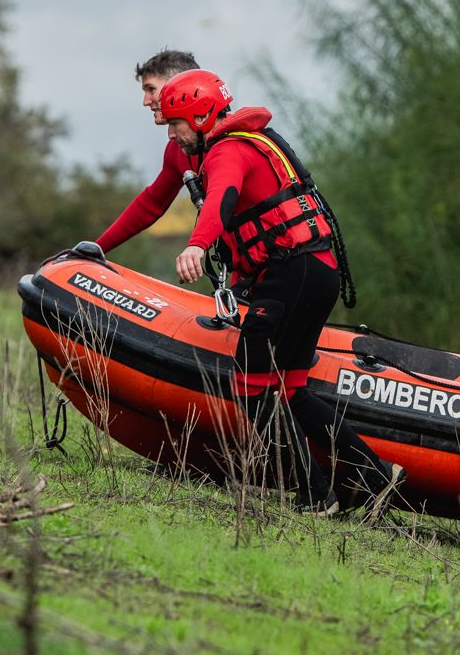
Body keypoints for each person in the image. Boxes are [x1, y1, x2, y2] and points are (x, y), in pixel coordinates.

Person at [159, 68, 403, 515]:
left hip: (292, 276)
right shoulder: (253, 142)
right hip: (317, 272)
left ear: (199, 117)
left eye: (175, 125)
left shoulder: (226, 152)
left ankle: (315, 494)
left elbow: (221, 202)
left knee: (251, 385)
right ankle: (374, 475)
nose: (171, 135)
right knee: (291, 389)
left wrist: (196, 244)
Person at [92, 49, 203, 254]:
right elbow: (152, 203)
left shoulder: (229, 140)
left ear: (179, 85)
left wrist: (197, 246)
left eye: (151, 89)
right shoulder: (177, 149)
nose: (145, 101)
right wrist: (95, 249)